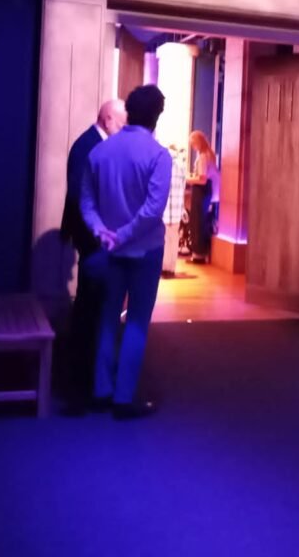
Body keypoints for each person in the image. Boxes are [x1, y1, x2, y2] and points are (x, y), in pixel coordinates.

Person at [81, 85, 171, 419]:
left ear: (130, 111)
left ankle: (101, 389)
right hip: (145, 250)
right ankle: (123, 397)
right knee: (136, 322)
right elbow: (152, 211)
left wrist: (102, 232)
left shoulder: (101, 151)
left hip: (110, 250)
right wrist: (123, 236)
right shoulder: (158, 156)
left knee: (107, 318)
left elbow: (87, 202)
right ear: (157, 115)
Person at [60, 99, 126, 413]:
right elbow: (78, 195)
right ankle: (81, 385)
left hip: (91, 238)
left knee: (90, 308)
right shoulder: (89, 146)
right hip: (92, 240)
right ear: (108, 118)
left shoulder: (89, 143)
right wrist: (101, 233)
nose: (124, 130)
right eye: (122, 123)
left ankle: (84, 383)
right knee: (89, 311)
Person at [185, 130, 220, 263]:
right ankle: (200, 253)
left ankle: (198, 254)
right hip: (207, 191)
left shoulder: (203, 157)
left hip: (201, 191)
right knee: (202, 221)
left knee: (197, 221)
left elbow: (202, 179)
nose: (193, 147)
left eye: (193, 144)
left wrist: (188, 179)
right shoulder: (209, 155)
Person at [161, 144, 187, 278]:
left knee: (165, 239)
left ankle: (164, 268)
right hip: (176, 209)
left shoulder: (162, 164)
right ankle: (171, 268)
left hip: (164, 209)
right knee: (174, 239)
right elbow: (183, 188)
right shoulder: (181, 167)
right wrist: (182, 208)